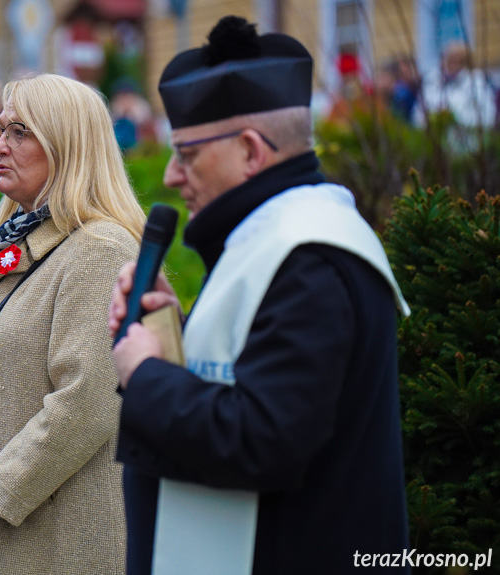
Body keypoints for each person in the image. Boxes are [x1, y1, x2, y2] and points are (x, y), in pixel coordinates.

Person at [109, 17, 411, 575]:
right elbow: (246, 379)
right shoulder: (281, 236)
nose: (173, 175)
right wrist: (168, 335)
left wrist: (147, 375)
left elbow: (263, 438)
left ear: (250, 151)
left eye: (188, 154)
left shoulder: (310, 255)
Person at [0, 73, 146, 575]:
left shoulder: (101, 250)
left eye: (20, 132)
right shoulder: (8, 242)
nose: (0, 145)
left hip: (60, 544)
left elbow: (87, 403)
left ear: (68, 145)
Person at [418, 41, 496, 129]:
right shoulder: (432, 81)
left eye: (457, 61)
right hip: (435, 139)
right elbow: (418, 114)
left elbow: (488, 118)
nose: (451, 65)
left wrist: (454, 118)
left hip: (466, 139)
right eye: (449, 60)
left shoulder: (477, 82)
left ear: (466, 63)